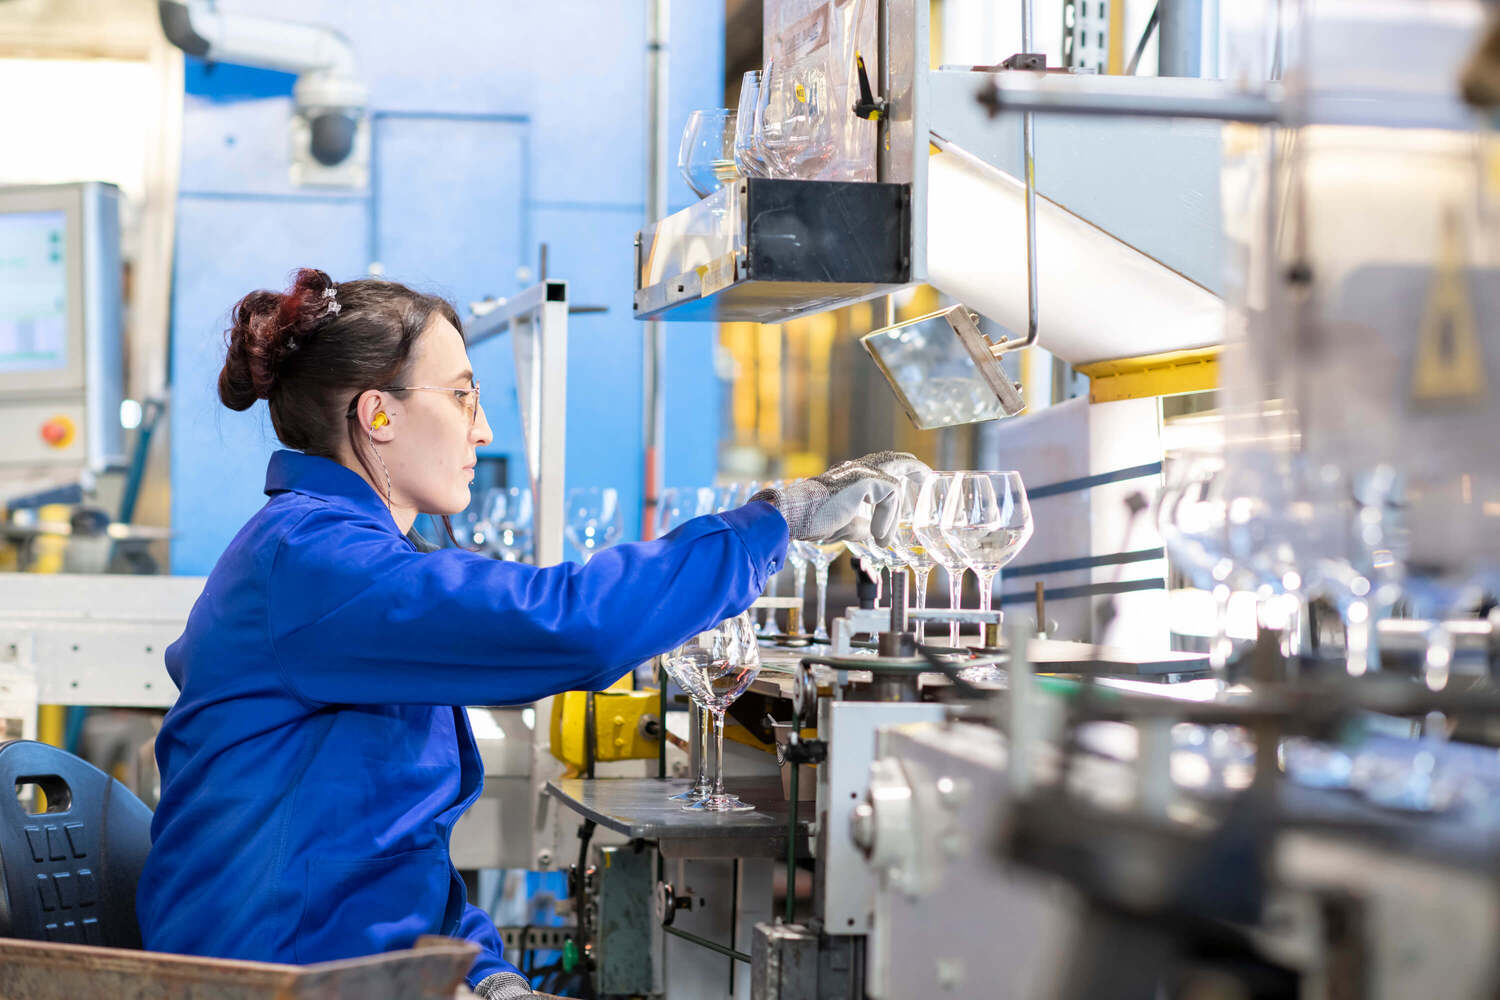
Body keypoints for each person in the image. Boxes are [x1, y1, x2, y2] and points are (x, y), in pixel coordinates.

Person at [136, 268, 925, 999]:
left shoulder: (337, 557)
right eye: (461, 396)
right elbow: (571, 624)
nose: (480, 432)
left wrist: (485, 974)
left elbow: (391, 858)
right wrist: (772, 524)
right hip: (266, 979)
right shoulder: (313, 562)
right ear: (378, 414)